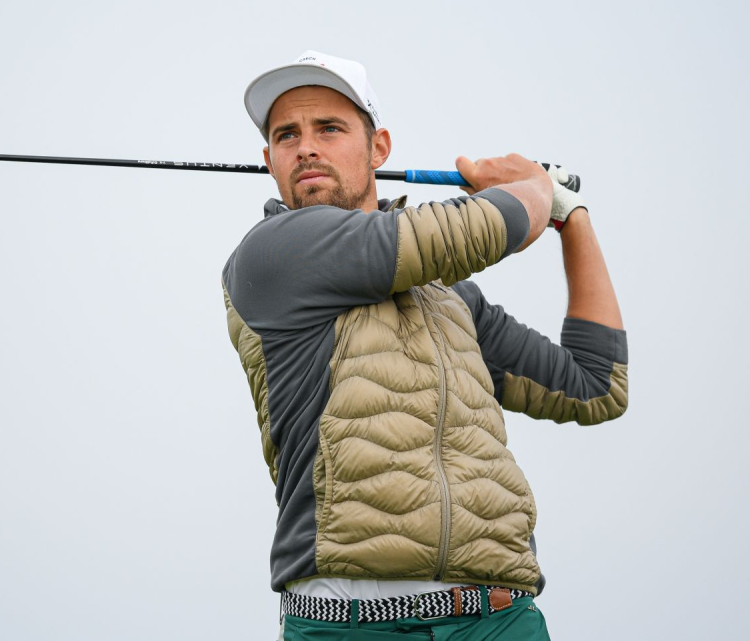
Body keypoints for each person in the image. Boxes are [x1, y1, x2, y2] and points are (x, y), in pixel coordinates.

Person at [221, 50, 628, 640]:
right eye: (287, 135)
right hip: (351, 625)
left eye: (329, 128)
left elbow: (596, 387)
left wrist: (574, 218)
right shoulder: (273, 254)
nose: (306, 147)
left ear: (379, 148)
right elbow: (479, 229)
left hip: (498, 618)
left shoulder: (449, 296)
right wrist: (534, 189)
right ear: (269, 161)